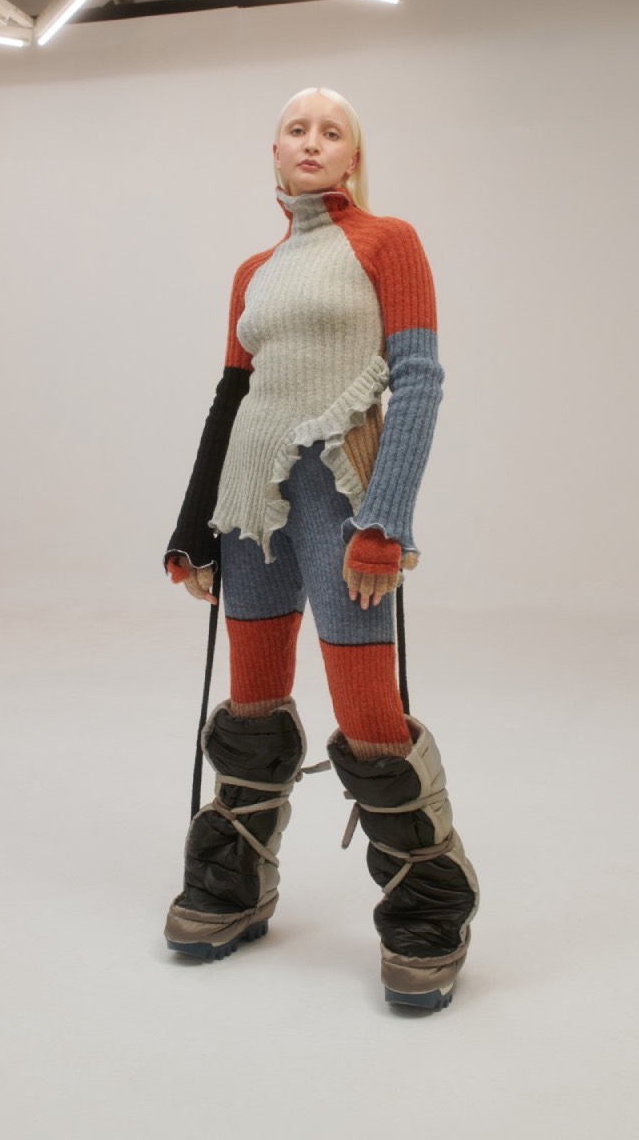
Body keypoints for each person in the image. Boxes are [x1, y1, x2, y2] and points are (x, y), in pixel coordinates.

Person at [162, 87, 478, 1011]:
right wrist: (192, 528)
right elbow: (230, 399)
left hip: (340, 500)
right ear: (275, 153)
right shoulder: (252, 272)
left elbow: (417, 379)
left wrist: (386, 520)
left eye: (331, 131)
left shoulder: (388, 243)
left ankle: (428, 904)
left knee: (368, 708)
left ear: (352, 157)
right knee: (251, 697)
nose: (312, 141)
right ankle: (234, 879)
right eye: (296, 129)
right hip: (249, 500)